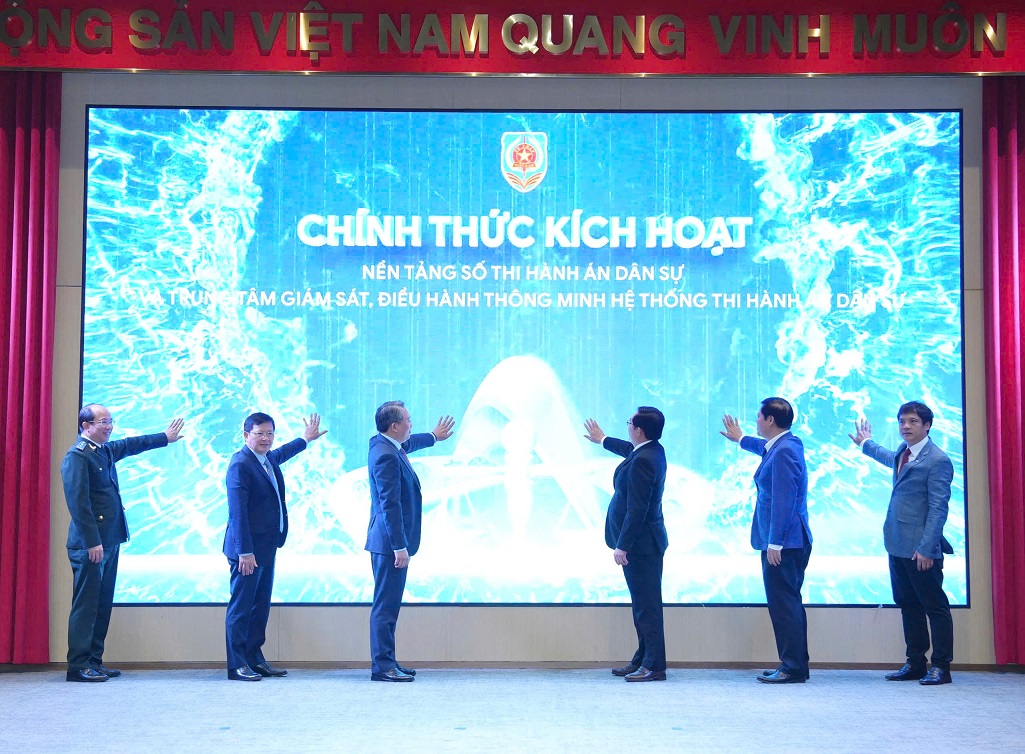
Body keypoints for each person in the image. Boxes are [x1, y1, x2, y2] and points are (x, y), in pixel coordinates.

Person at [60, 404, 185, 682]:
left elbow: (131, 445)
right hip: (91, 545)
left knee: (102, 604)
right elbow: (78, 503)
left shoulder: (103, 450)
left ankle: (94, 661)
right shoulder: (77, 456)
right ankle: (78, 666)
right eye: (103, 422)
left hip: (109, 541)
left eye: (110, 421)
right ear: (86, 426)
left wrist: (164, 437)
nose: (109, 426)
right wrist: (92, 541)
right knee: (86, 606)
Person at [849, 401, 955, 686]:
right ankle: (916, 662)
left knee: (935, 607)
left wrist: (927, 547)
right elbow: (889, 458)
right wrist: (866, 443)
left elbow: (938, 508)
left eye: (913, 421)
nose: (906, 426)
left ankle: (941, 666)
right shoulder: (903, 452)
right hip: (896, 543)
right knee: (908, 604)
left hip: (921, 549)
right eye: (902, 421)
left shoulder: (938, 460)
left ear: (927, 426)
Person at [223, 412, 326, 681]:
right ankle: (237, 665)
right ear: (246, 435)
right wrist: (245, 552)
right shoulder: (240, 465)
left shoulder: (266, 459)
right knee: (242, 608)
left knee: (260, 607)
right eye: (260, 434)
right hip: (247, 552)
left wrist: (306, 439)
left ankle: (255, 659)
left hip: (267, 547)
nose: (266, 439)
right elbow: (237, 513)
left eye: (270, 433)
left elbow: (282, 453)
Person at [721, 397, 812, 684]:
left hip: (785, 543)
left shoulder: (784, 452)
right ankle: (795, 664)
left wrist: (776, 542)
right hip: (789, 541)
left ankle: (792, 667)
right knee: (788, 603)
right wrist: (740, 439)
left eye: (759, 416)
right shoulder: (786, 444)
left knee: (784, 606)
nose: (756, 420)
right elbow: (763, 447)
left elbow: (784, 500)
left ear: (770, 420)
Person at [366, 401, 455, 682]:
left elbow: (409, 443)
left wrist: (434, 436)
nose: (411, 424)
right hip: (389, 545)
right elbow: (389, 505)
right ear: (395, 426)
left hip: (388, 542)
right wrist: (399, 546)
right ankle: (383, 667)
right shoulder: (386, 456)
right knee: (385, 607)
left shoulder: (384, 444)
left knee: (389, 605)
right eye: (408, 420)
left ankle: (388, 660)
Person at [584, 407, 669, 682]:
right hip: (644, 543)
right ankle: (643, 658)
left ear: (639, 430)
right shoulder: (650, 450)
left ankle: (654, 665)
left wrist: (623, 545)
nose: (628, 425)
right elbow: (628, 450)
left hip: (641, 545)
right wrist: (602, 439)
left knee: (647, 606)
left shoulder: (644, 460)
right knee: (642, 605)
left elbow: (637, 509)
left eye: (630, 422)